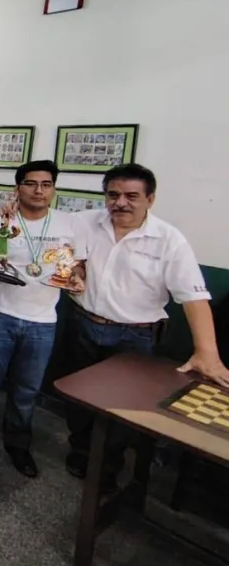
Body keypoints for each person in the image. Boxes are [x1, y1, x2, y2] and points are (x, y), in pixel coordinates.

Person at [64, 163, 229, 491]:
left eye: (131, 196)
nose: (120, 203)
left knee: (123, 410)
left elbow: (193, 298)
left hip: (135, 337)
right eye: (113, 195)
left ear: (150, 199)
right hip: (85, 325)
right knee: (78, 401)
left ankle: (108, 468)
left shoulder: (169, 240)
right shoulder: (85, 222)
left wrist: (207, 354)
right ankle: (81, 454)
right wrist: (76, 273)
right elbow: (72, 258)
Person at [0, 161, 85, 477]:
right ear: (18, 188)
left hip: (43, 321)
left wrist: (76, 278)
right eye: (31, 184)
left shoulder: (69, 224)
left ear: (53, 189)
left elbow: (77, 266)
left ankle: (18, 445)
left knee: (27, 390)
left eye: (46, 184)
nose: (39, 190)